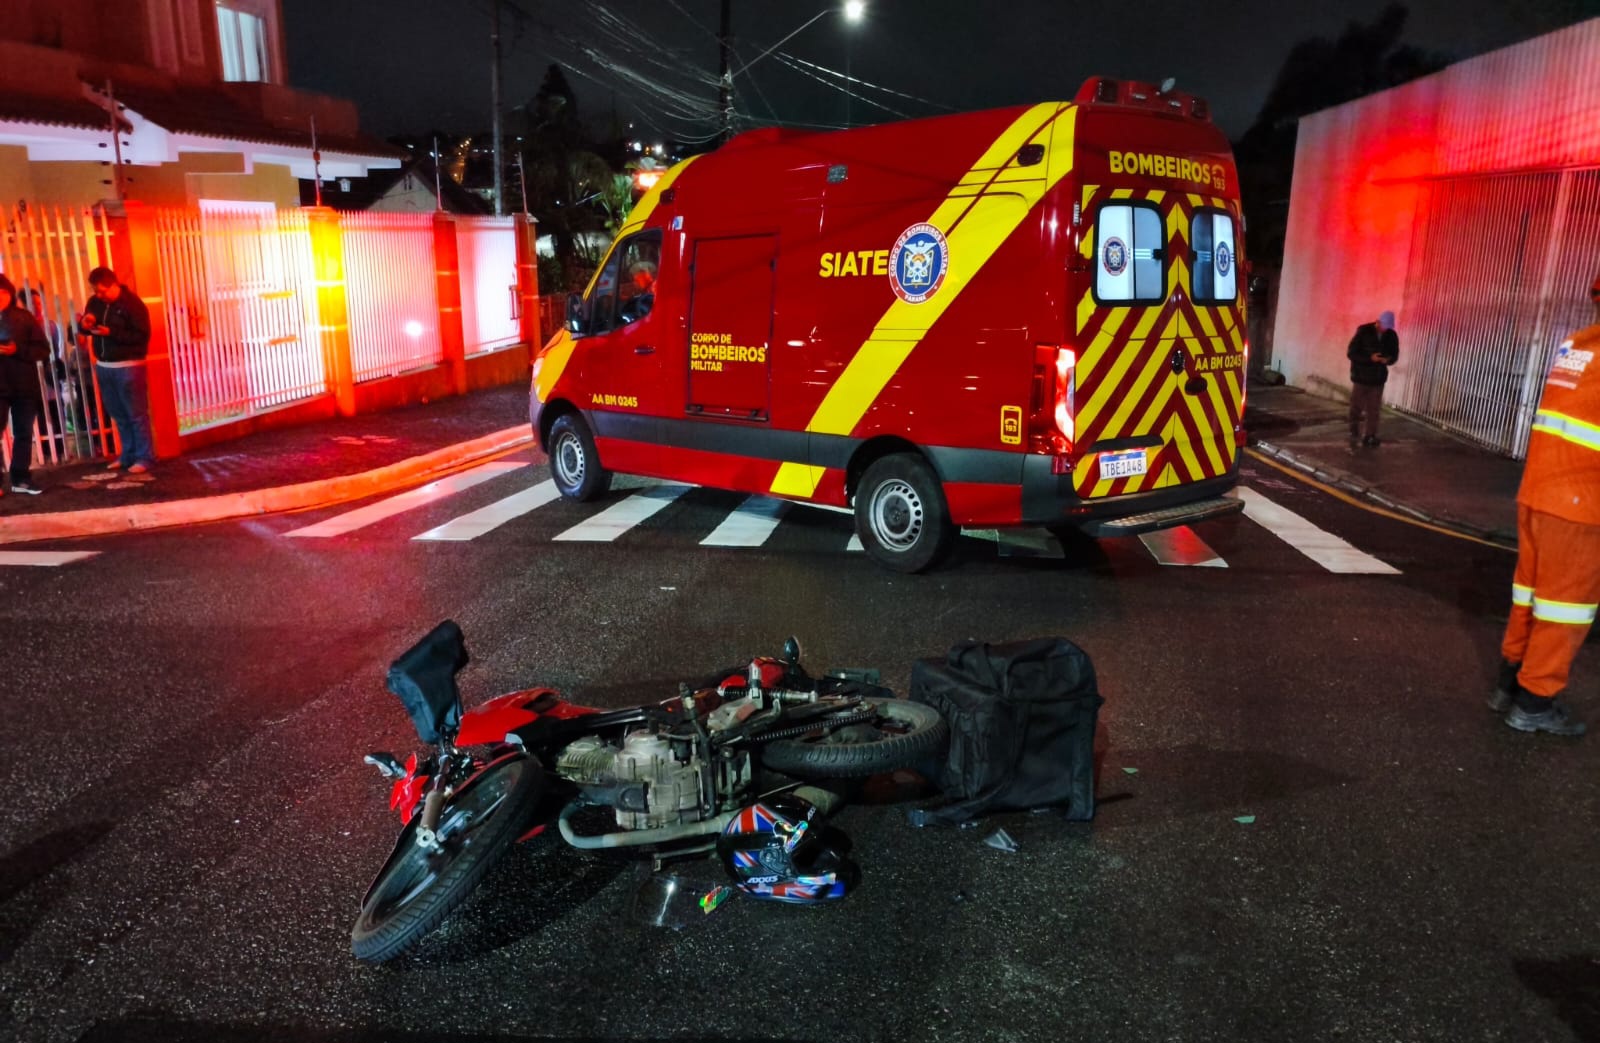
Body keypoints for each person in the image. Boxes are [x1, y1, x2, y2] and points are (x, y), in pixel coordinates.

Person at [1488, 274, 1600, 737]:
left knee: (1530, 597)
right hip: (1580, 504)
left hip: (1538, 492)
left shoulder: (1576, 345)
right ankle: (1535, 703)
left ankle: (1509, 686)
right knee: (1566, 607)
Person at [79, 266, 153, 473]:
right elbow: (84, 327)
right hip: (104, 365)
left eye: (103, 290)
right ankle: (127, 455)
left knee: (136, 414)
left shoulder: (132, 304)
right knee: (118, 414)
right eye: (96, 291)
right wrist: (86, 323)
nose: (99, 295)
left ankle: (144, 457)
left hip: (129, 365)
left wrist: (111, 332)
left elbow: (141, 336)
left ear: (114, 284)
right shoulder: (95, 303)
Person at [0, 275, 52, 495]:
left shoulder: (24, 317)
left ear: (10, 294)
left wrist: (17, 351)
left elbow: (43, 349)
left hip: (24, 385)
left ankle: (20, 477)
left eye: (3, 293)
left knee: (23, 433)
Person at [1347, 310, 1399, 447]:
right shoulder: (1363, 331)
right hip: (1361, 377)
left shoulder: (1391, 335)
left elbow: (1394, 355)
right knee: (1356, 407)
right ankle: (1354, 429)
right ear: (1378, 321)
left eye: (1388, 327)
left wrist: (1388, 360)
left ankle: (1370, 435)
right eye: (1384, 326)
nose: (1385, 329)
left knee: (1373, 409)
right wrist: (1370, 359)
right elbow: (1351, 353)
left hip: (1378, 378)